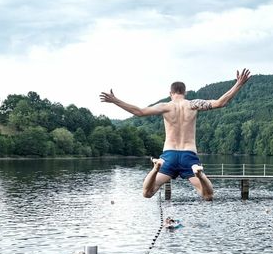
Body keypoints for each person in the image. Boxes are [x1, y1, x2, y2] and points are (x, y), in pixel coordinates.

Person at [100, 69, 251, 200]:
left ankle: (155, 167)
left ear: (170, 93)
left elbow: (139, 112)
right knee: (208, 196)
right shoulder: (193, 104)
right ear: (184, 93)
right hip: (189, 156)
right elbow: (220, 103)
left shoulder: (165, 106)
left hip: (169, 156)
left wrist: (115, 100)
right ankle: (199, 174)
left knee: (147, 193)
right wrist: (238, 84)